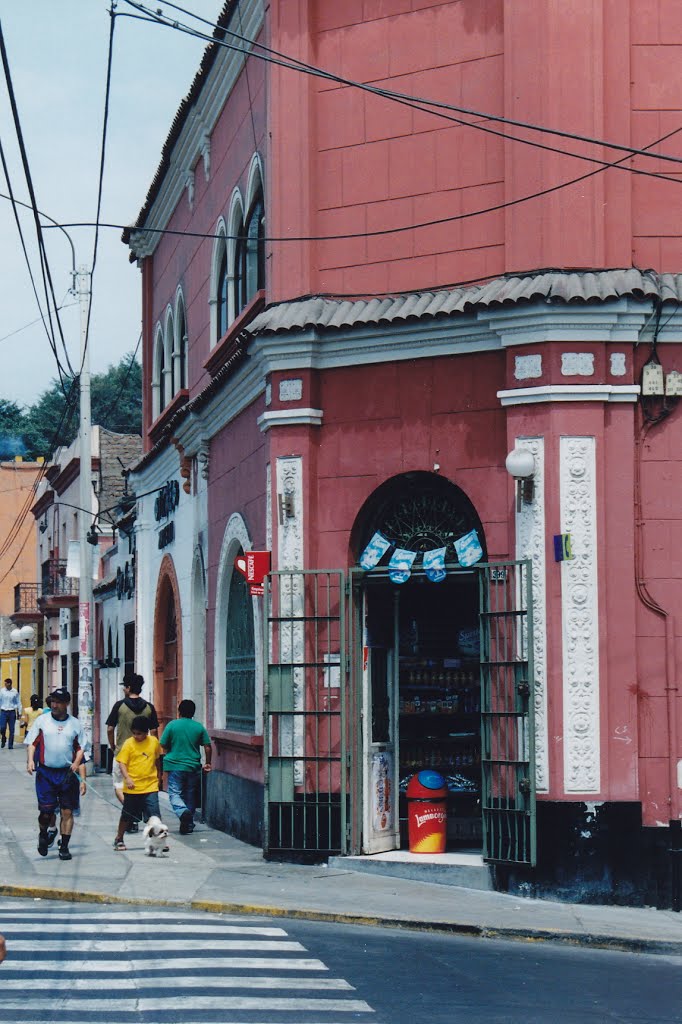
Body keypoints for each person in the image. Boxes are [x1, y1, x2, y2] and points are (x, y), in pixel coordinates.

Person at [25, 688, 87, 861]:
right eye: (53, 701)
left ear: (67, 704)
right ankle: (43, 834)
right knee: (46, 812)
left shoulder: (75, 724)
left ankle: (64, 847)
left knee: (67, 811)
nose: (54, 705)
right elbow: (32, 743)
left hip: (67, 775)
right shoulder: (42, 721)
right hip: (46, 773)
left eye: (58, 702)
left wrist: (77, 766)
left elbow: (81, 748)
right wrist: (30, 760)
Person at [105, 674, 159, 829]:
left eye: (124, 686)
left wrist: (112, 745)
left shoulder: (119, 706)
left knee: (118, 786)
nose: (123, 689)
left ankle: (132, 814)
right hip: (144, 755)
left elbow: (110, 728)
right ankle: (135, 813)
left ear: (128, 688)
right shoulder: (149, 707)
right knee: (143, 787)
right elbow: (154, 731)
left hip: (122, 752)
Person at [160, 699, 212, 834]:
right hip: (193, 766)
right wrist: (208, 763)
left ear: (179, 711)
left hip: (175, 765)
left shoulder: (172, 725)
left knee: (174, 793)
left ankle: (183, 812)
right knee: (190, 794)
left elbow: (163, 744)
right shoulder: (198, 727)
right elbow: (207, 746)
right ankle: (188, 823)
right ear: (193, 713)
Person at [113, 716, 163, 851]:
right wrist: (127, 778)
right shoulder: (129, 744)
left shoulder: (153, 742)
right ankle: (119, 838)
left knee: (154, 816)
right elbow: (122, 763)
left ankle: (158, 841)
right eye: (134, 733)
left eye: (139, 733)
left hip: (150, 785)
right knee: (127, 815)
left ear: (146, 732)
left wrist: (159, 775)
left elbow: (158, 759)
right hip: (133, 787)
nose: (136, 736)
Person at [0, 678, 22, 749]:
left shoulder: (15, 691)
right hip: (3, 711)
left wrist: (20, 712)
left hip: (12, 712)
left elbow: (18, 702)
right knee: (2, 727)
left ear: (9, 684)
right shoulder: (2, 691)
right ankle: (3, 738)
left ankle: (10, 745)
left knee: (12, 729)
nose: (5, 685)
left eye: (6, 683)